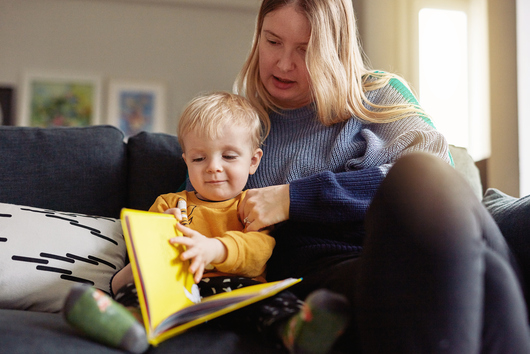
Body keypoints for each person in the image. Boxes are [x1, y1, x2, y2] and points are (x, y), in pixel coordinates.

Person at [232, 0, 530, 352]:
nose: (284, 63)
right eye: (272, 41)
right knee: (489, 275)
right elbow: (193, 205)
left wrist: (294, 198)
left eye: (306, 49)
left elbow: (441, 179)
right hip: (330, 281)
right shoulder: (239, 126)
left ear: (335, 49)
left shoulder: (378, 94)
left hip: (421, 246)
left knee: (421, 173)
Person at [64, 91, 350, 354]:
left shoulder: (252, 205)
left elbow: (258, 251)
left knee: (270, 298)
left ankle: (293, 330)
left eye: (228, 156)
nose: (213, 166)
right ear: (187, 161)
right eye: (200, 158)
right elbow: (140, 250)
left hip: (232, 290)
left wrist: (214, 250)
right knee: (134, 290)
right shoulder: (168, 203)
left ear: (253, 161)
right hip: (172, 292)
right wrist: (161, 230)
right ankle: (129, 327)